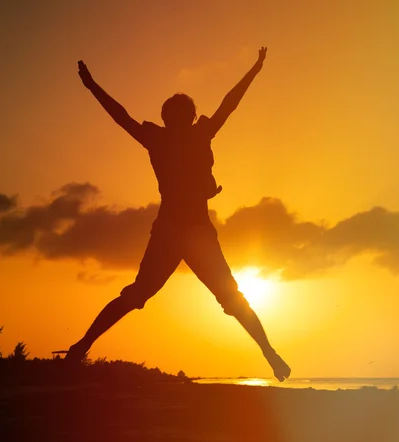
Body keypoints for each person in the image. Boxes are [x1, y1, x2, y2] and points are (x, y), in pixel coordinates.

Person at [67, 47, 291, 381]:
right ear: (180, 116)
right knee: (221, 297)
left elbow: (122, 115)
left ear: (172, 116)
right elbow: (228, 104)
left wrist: (92, 86)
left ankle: (81, 347)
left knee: (143, 295)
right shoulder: (188, 134)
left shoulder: (160, 137)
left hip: (183, 230)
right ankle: (270, 353)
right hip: (184, 230)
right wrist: (92, 86)